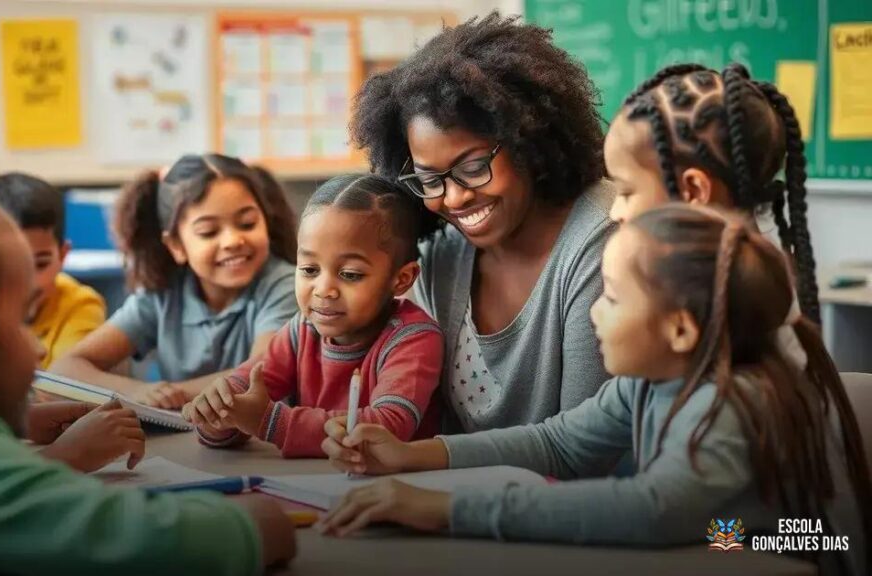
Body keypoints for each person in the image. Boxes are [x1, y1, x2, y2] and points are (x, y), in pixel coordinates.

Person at [319, 205, 869, 576]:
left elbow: (655, 510)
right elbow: (558, 443)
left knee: (716, 531)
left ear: (680, 330)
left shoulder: (725, 402)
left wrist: (443, 510)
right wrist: (413, 454)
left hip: (799, 545)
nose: (594, 313)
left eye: (611, 297)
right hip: (726, 535)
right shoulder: (649, 383)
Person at [0, 177, 295, 574]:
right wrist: (261, 520)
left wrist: (18, 418)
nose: (39, 346)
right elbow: (143, 541)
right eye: (23, 320)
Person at [351, 12, 615, 433]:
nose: (454, 197)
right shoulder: (440, 253)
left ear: (528, 140)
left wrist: (424, 462)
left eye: (473, 167)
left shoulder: (600, 235)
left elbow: (583, 449)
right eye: (429, 179)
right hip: (457, 495)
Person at [185, 175, 443, 457]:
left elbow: (389, 427)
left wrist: (269, 421)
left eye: (350, 274)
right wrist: (217, 412)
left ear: (402, 279)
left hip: (393, 490)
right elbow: (247, 386)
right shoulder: (302, 329)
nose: (324, 290)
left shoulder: (414, 338)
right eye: (309, 270)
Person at [52, 154, 298, 409]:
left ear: (266, 222)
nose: (233, 240)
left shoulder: (284, 285)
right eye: (208, 232)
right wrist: (137, 391)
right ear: (176, 246)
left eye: (247, 224)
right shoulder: (162, 294)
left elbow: (263, 374)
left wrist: (171, 394)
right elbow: (66, 368)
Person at [606, 62, 820, 323]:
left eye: (626, 192)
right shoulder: (758, 280)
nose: (613, 212)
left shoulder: (715, 305)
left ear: (694, 190)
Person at [0, 172, 106, 369]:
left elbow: (65, 385)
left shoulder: (80, 305)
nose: (26, 283)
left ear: (62, 256)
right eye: (6, 264)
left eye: (40, 264)